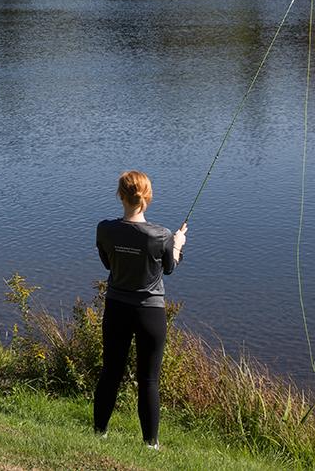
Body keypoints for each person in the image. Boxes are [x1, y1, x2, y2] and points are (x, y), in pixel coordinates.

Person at [93, 170, 189, 450]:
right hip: (150, 314)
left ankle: (99, 433)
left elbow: (108, 264)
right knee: (149, 380)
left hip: (116, 309)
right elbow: (170, 268)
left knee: (110, 372)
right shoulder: (161, 235)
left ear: (120, 195)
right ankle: (151, 444)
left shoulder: (105, 229)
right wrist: (178, 245)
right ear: (148, 197)